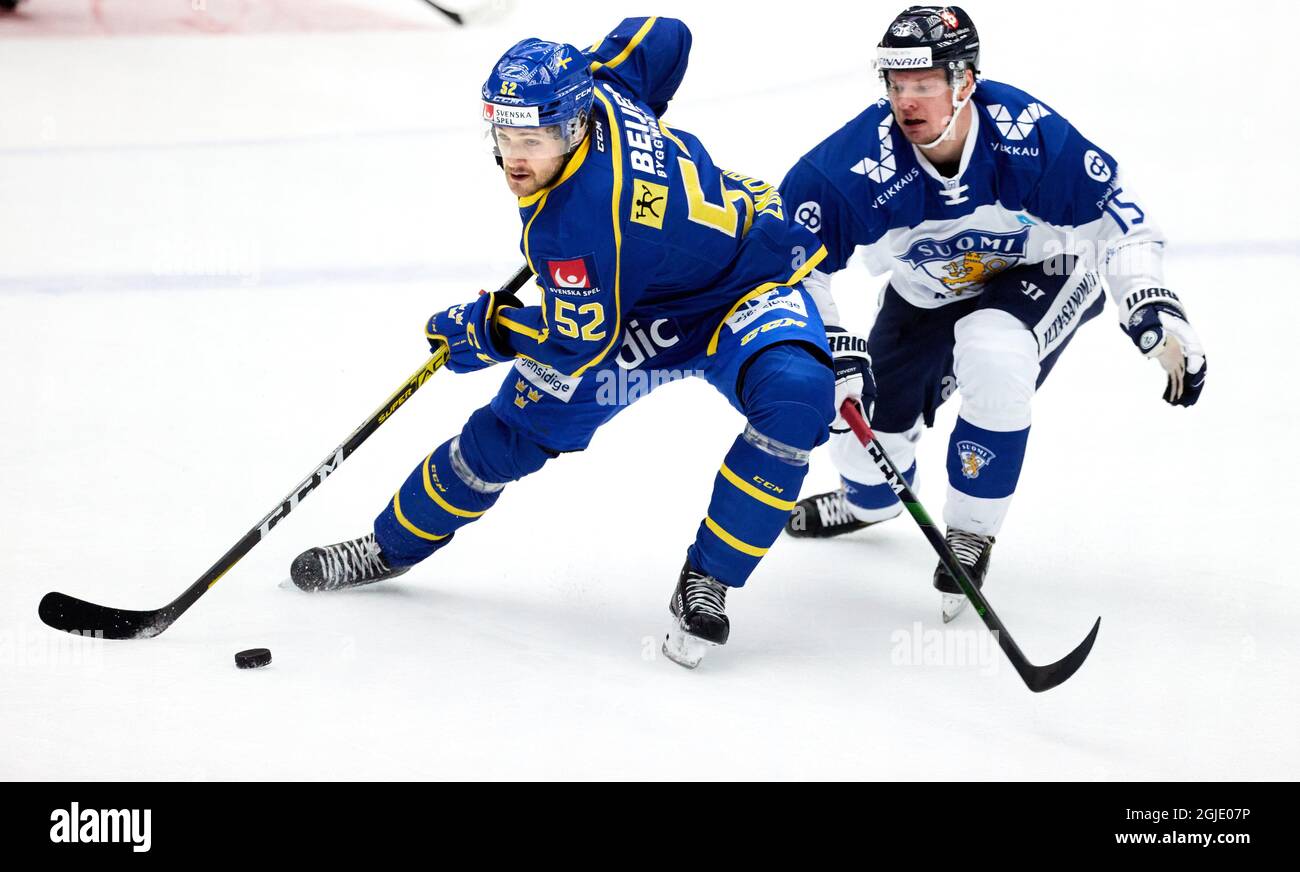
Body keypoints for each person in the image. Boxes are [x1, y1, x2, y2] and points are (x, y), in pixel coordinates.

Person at [289, 17, 841, 668]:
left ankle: (709, 580)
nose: (517, 157)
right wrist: (609, 84)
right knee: (505, 438)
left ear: (576, 124)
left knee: (798, 398)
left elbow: (577, 339)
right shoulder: (604, 87)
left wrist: (488, 330)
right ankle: (389, 545)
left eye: (537, 137)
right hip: (633, 306)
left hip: (744, 282)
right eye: (506, 134)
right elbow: (666, 32)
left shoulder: (575, 227)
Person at [779, 6, 1207, 621]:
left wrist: (1149, 300)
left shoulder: (1026, 133)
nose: (907, 101)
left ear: (965, 82)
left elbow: (1118, 213)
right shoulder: (850, 166)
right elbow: (792, 263)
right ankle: (871, 503)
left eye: (923, 83)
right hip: (929, 289)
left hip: (1045, 270)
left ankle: (972, 529)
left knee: (993, 349)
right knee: (865, 433)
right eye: (896, 84)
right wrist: (830, 341)